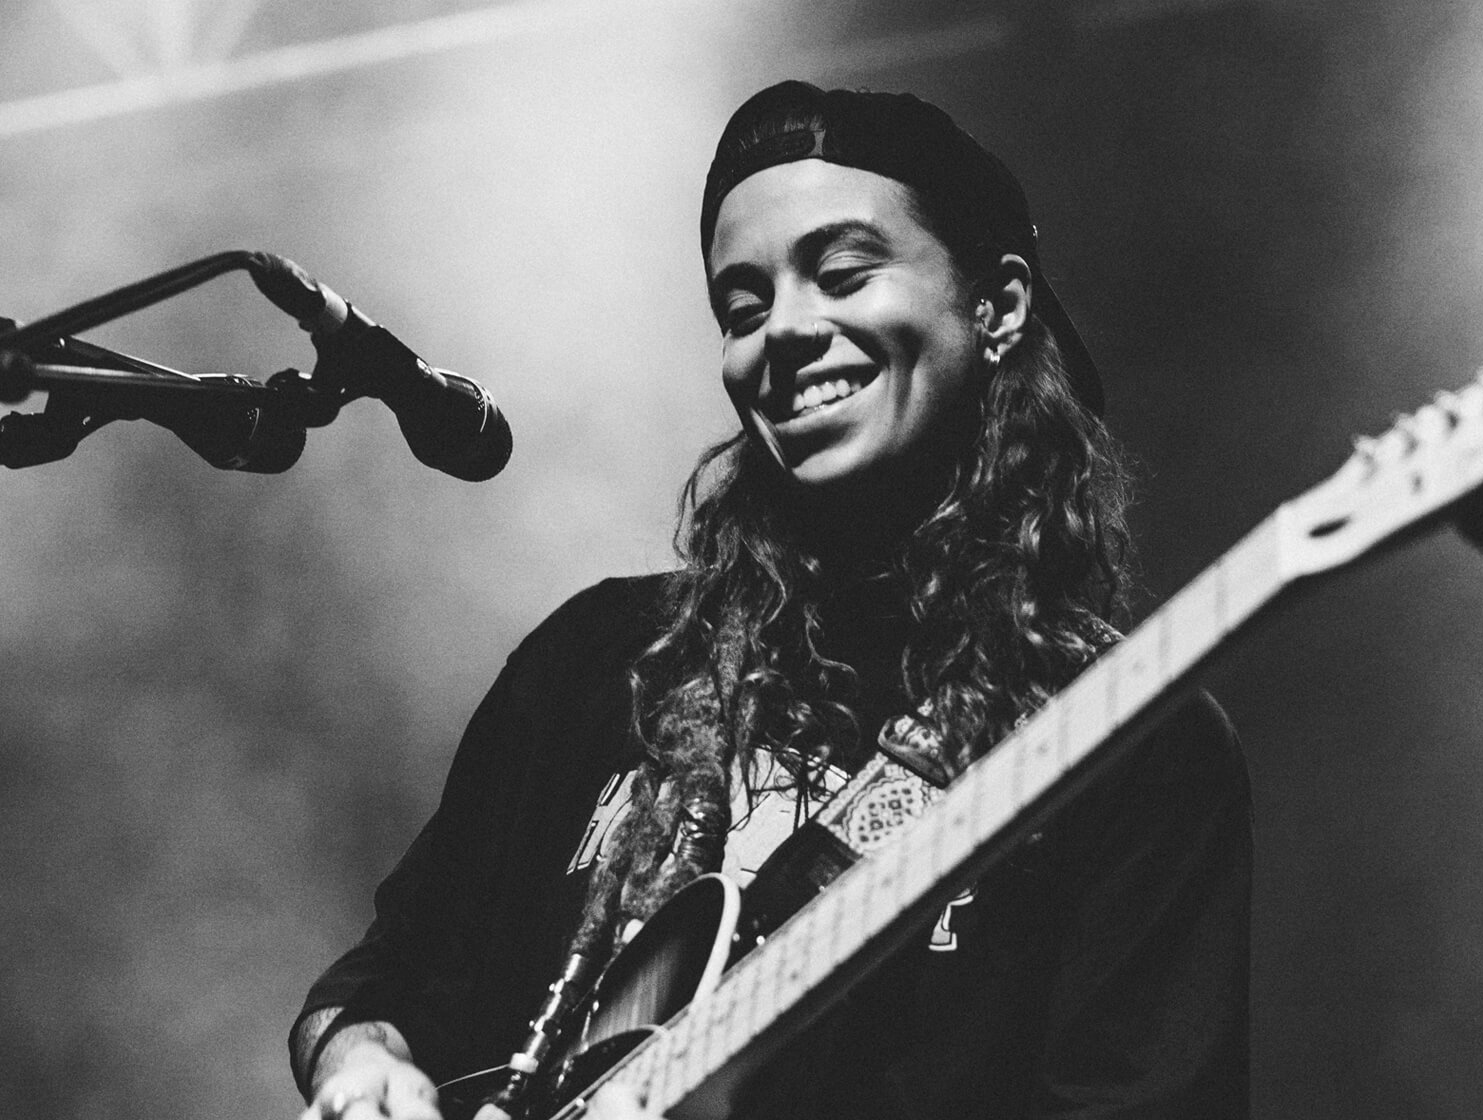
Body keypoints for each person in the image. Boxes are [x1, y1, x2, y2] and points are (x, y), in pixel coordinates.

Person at [290, 80, 1251, 1120]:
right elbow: (377, 989)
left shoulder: (1123, 743)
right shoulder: (595, 662)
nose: (783, 331)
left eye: (843, 274)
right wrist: (359, 1064)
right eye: (742, 309)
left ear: (998, 307)